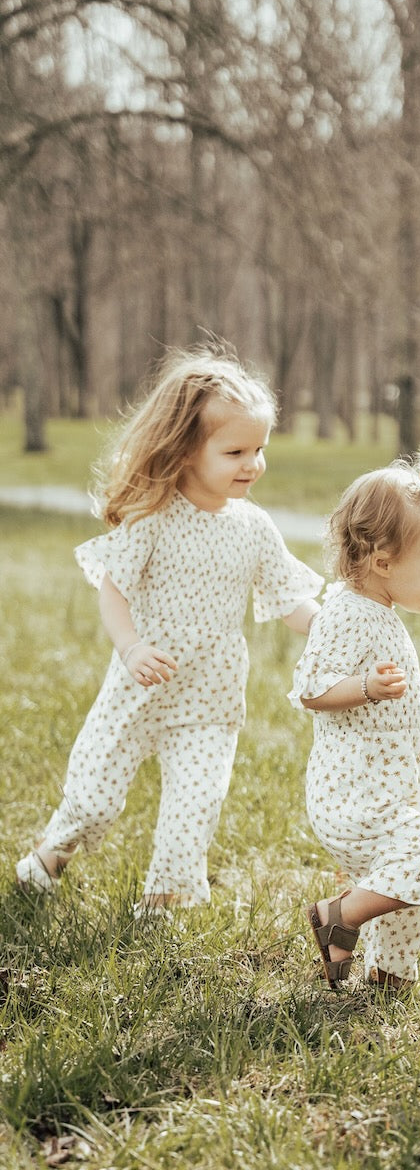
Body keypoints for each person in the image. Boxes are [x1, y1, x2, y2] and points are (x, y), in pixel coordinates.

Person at [16, 344, 323, 911]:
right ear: (185, 452)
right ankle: (50, 852)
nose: (252, 463)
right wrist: (130, 649)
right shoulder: (155, 515)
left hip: (210, 694)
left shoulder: (254, 527)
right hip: (140, 686)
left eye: (260, 449)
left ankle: (165, 899)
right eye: (235, 451)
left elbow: (290, 601)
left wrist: (332, 629)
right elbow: (114, 591)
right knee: (94, 800)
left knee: (196, 804)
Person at [291, 451, 420, 993]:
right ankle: (339, 917)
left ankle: (389, 975)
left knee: (403, 885)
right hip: (356, 798)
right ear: (383, 561)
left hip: (386, 792)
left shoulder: (375, 610)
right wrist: (365, 688)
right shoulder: (346, 614)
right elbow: (311, 689)